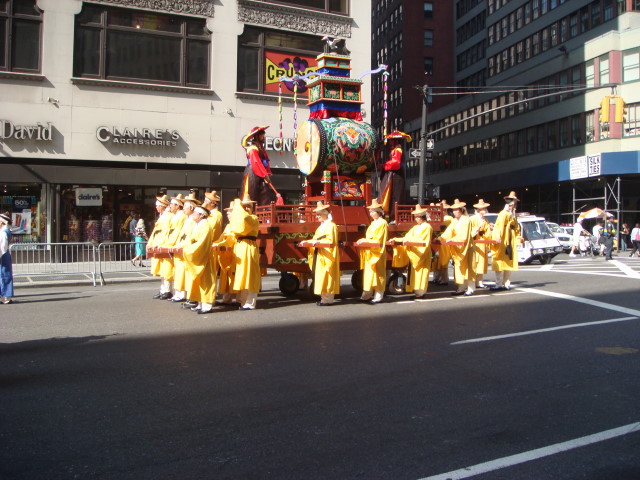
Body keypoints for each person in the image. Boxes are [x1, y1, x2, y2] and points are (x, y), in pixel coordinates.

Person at [214, 194, 261, 310]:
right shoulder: (237, 221)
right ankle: (243, 302)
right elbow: (231, 237)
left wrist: (238, 206)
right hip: (239, 248)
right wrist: (219, 244)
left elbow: (244, 224)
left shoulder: (253, 218)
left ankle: (250, 303)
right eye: (244, 206)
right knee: (242, 275)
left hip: (248, 247)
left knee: (249, 275)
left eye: (248, 206)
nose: (246, 208)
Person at [173, 206, 216, 314]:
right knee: (197, 282)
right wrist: (180, 246)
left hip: (203, 256)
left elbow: (201, 244)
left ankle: (207, 305)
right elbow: (190, 240)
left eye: (195, 213)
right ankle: (200, 303)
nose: (193, 214)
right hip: (197, 255)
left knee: (206, 282)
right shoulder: (197, 225)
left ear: (201, 215)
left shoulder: (206, 226)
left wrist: (187, 250)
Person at [300, 201, 340, 306]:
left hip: (327, 254)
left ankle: (328, 299)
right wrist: (307, 242)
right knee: (321, 276)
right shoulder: (321, 226)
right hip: (320, 254)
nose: (317, 216)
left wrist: (317, 242)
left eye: (318, 214)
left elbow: (330, 241)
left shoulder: (331, 225)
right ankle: (324, 298)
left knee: (328, 275)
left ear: (325, 214)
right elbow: (315, 239)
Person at [390, 204, 432, 299]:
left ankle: (421, 292)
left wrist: (410, 240)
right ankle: (416, 291)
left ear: (422, 217)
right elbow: (407, 237)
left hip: (422, 253)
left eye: (417, 217)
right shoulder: (415, 227)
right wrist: (396, 239)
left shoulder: (427, 227)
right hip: (415, 252)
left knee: (422, 272)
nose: (416, 219)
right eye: (415, 217)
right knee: (414, 273)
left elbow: (423, 240)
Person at [439, 199, 475, 296]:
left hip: (467, 247)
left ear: (461, 210)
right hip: (458, 247)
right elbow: (448, 231)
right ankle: (461, 287)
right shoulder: (454, 221)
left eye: (456, 210)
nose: (454, 212)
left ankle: (471, 288)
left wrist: (452, 239)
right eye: (453, 210)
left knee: (469, 267)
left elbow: (463, 235)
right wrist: (440, 238)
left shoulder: (466, 220)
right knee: (459, 268)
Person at [356, 199, 388, 304]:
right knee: (369, 274)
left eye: (372, 211)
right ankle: (366, 295)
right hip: (370, 251)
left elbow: (378, 239)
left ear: (378, 212)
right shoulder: (373, 223)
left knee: (379, 274)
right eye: (370, 211)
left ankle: (378, 296)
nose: (370, 213)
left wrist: (366, 241)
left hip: (377, 251)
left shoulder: (383, 223)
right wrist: (364, 240)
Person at [171, 193, 199, 304]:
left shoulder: (193, 220)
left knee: (187, 273)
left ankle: (190, 296)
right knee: (180, 273)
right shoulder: (187, 219)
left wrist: (182, 245)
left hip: (187, 249)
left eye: (186, 207)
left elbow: (190, 236)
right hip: (181, 247)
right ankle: (182, 294)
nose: (184, 209)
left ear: (191, 208)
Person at [491, 191, 522, 290]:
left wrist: (518, 238)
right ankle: (498, 283)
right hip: (503, 240)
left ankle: (506, 283)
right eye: (511, 203)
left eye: (514, 203)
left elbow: (517, 229)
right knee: (499, 261)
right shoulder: (503, 214)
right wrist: (497, 237)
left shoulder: (513, 215)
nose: (513, 205)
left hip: (510, 240)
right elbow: (498, 226)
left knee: (509, 261)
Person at [379, 131, 411, 221]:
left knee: (395, 195)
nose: (390, 142)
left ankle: (395, 216)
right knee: (392, 194)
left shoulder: (397, 150)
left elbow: (396, 163)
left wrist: (385, 165)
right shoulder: (394, 150)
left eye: (391, 140)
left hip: (396, 175)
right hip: (393, 174)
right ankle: (392, 215)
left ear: (395, 141)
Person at [148, 194, 173, 299]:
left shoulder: (168, 216)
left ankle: (167, 290)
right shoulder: (162, 216)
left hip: (163, 244)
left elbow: (166, 232)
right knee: (162, 269)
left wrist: (161, 244)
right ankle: (163, 289)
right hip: (158, 244)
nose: (156, 207)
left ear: (162, 206)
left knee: (166, 269)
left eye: (158, 205)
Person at [241, 126, 273, 206]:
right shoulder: (252, 148)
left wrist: (266, 173)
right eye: (262, 136)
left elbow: (265, 162)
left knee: (265, 193)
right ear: (257, 136)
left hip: (261, 172)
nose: (263, 137)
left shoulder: (261, 148)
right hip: (252, 172)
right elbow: (256, 162)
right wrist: (264, 174)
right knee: (252, 192)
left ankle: (264, 210)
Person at [215, 202, 239, 305]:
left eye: (230, 213)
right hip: (225, 254)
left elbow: (230, 240)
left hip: (234, 254)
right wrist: (216, 243)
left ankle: (239, 300)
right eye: (227, 214)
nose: (228, 216)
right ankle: (226, 299)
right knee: (225, 277)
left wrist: (220, 244)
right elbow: (222, 238)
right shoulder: (228, 225)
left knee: (234, 277)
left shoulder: (237, 225)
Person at [470, 199, 491, 289]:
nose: (485, 210)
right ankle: (473, 281)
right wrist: (477, 230)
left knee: (481, 262)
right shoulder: (472, 219)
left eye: (485, 208)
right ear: (479, 210)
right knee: (474, 262)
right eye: (484, 209)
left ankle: (479, 281)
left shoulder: (485, 220)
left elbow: (488, 232)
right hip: (475, 242)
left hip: (482, 243)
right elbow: (469, 231)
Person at [432, 200, 452, 285]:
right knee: (437, 260)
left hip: (445, 240)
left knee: (443, 260)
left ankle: (444, 279)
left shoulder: (449, 219)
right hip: (439, 239)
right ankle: (436, 277)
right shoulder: (438, 218)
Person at [0, 212, 14, 304]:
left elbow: (3, 247)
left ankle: (5, 297)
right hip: (4, 255)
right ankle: (5, 296)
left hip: (3, 256)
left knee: (4, 275)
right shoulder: (5, 231)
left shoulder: (4, 232)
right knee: (4, 275)